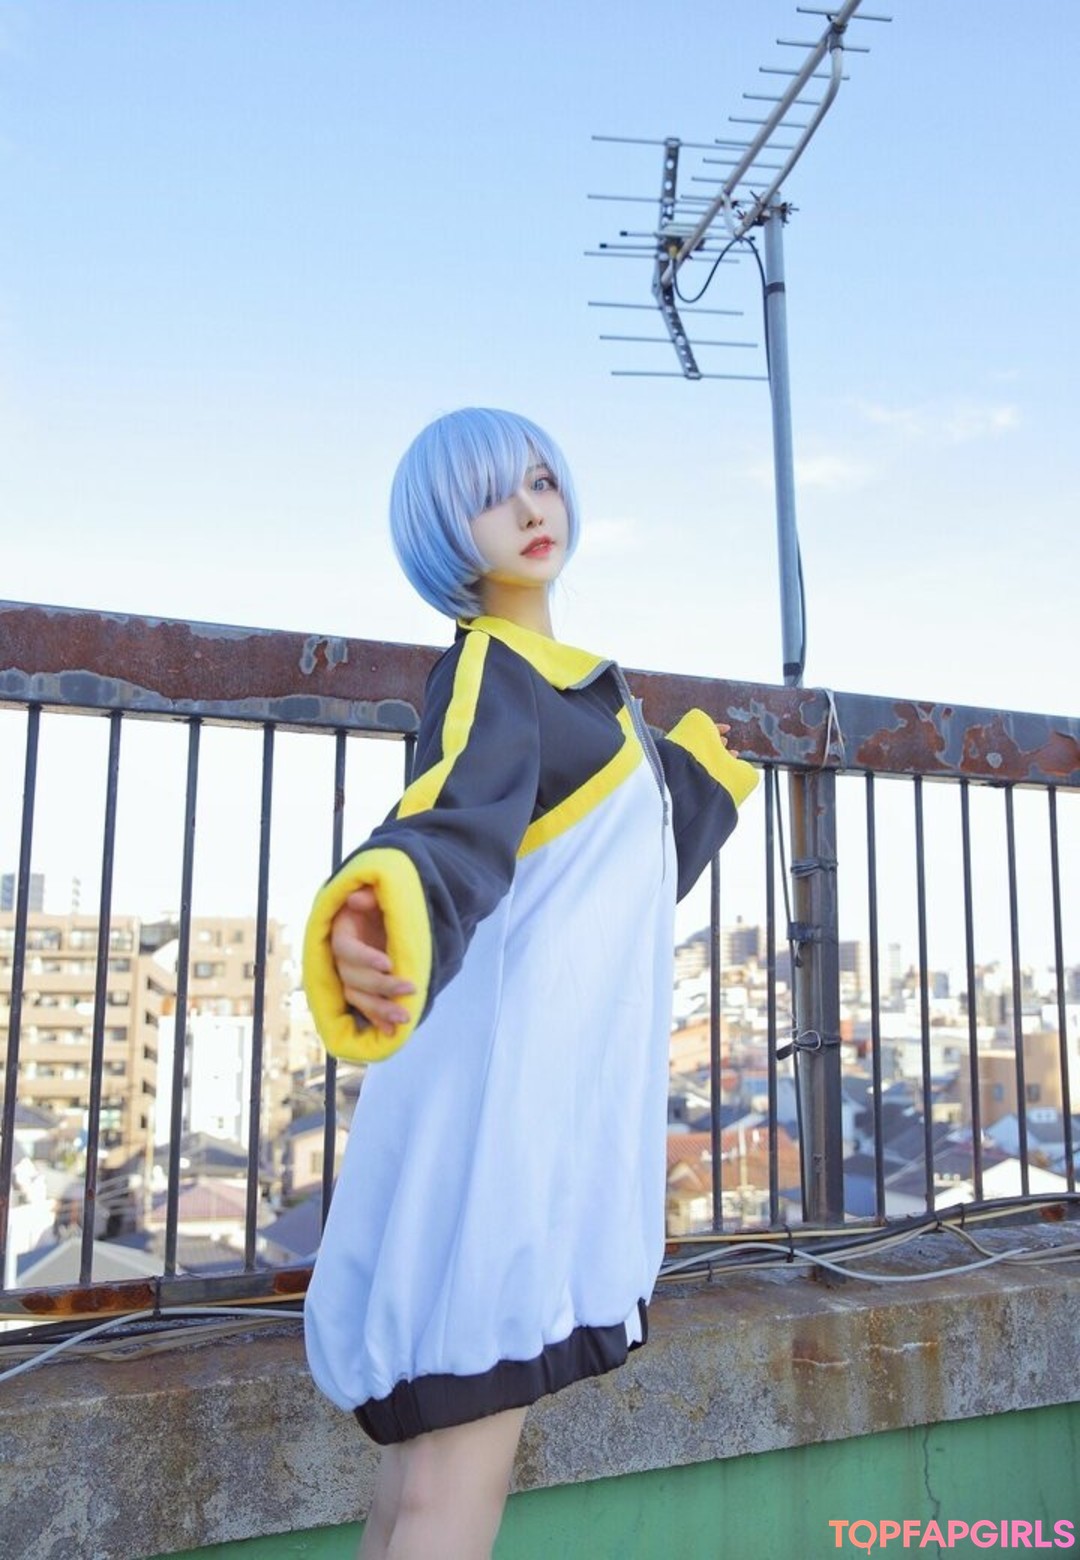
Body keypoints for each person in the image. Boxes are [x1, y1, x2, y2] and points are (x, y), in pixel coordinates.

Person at [302, 407, 758, 1560]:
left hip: (524, 1135)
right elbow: (452, 823)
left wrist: (696, 782)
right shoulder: (495, 673)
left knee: (425, 1479)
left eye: (541, 479)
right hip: (500, 1148)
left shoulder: (576, 695)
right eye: (489, 494)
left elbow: (605, 875)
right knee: (452, 1485)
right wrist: (387, 904)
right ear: (441, 532)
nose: (528, 507)